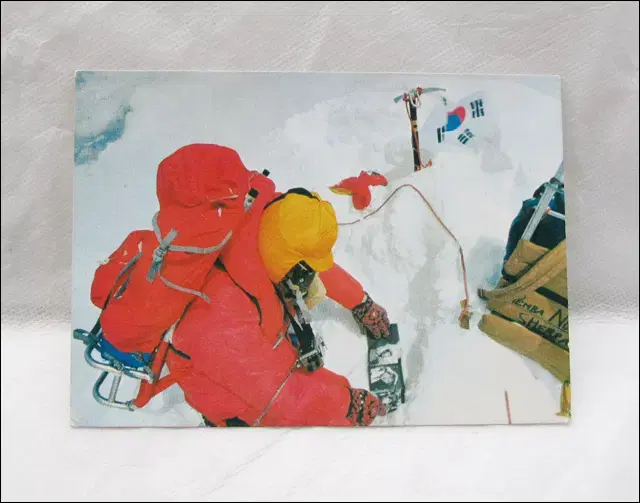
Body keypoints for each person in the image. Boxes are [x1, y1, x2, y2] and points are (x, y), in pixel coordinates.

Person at [165, 162, 392, 427]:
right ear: (282, 263)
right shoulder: (220, 315)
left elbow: (308, 255)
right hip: (238, 398)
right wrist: (347, 403)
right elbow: (281, 399)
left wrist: (360, 302)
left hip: (253, 334)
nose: (309, 275)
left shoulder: (265, 215)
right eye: (303, 270)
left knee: (309, 292)